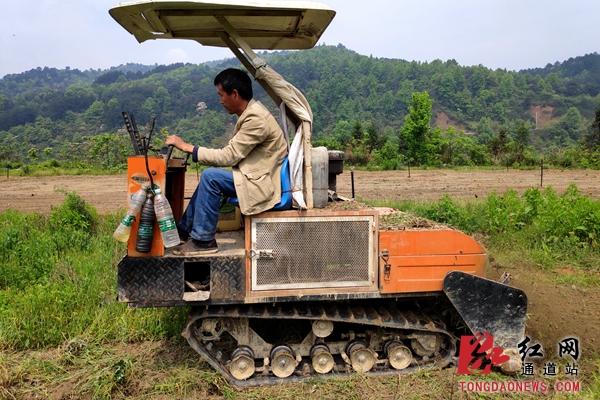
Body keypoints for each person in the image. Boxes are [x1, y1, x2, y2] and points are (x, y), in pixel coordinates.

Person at [166, 68, 287, 255]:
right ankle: (184, 231)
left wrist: (189, 148)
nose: (220, 100)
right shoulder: (250, 114)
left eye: (221, 95)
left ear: (235, 94)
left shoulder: (256, 119)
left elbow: (228, 156)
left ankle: (203, 241)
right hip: (255, 177)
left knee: (210, 177)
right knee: (210, 179)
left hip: (262, 184)